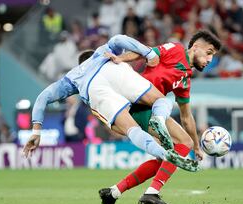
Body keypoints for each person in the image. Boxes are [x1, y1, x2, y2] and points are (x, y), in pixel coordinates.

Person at [22, 35, 199, 173]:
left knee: (131, 130)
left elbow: (43, 97)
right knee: (160, 100)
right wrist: (149, 53)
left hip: (93, 88)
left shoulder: (72, 77)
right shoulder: (100, 51)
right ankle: (159, 119)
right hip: (112, 67)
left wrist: (36, 131)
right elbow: (119, 39)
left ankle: (165, 154)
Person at [98, 30, 221, 204]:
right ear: (196, 47)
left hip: (148, 107)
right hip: (137, 101)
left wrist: (196, 146)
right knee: (182, 143)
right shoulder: (176, 49)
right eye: (209, 52)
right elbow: (145, 52)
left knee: (164, 159)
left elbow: (186, 116)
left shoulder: (185, 79)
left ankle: (113, 192)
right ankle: (152, 192)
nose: (210, 59)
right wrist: (121, 60)